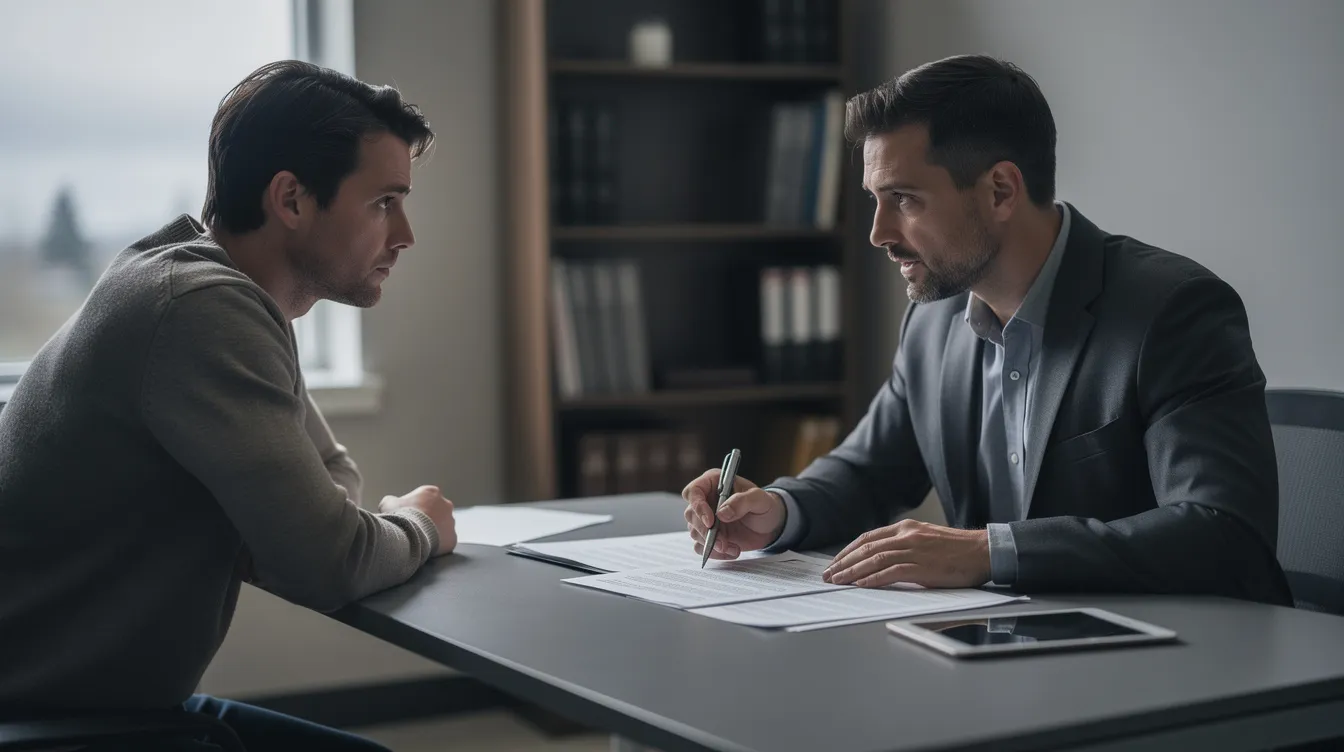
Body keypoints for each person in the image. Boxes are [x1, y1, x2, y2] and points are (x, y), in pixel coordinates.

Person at [682, 54, 1291, 606]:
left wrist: (989, 551)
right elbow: (867, 473)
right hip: (1004, 659)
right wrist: (777, 511)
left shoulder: (1173, 310)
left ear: (1001, 190)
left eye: (904, 199)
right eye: (875, 198)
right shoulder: (931, 319)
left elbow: (1222, 531)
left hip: (1172, 667)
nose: (878, 233)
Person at [0, 61, 456, 750]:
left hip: (104, 708)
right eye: (383, 202)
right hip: (59, 725)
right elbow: (332, 559)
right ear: (292, 200)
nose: (405, 235)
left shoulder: (216, 293)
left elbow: (330, 483)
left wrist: (314, 531)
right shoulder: (199, 310)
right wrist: (419, 525)